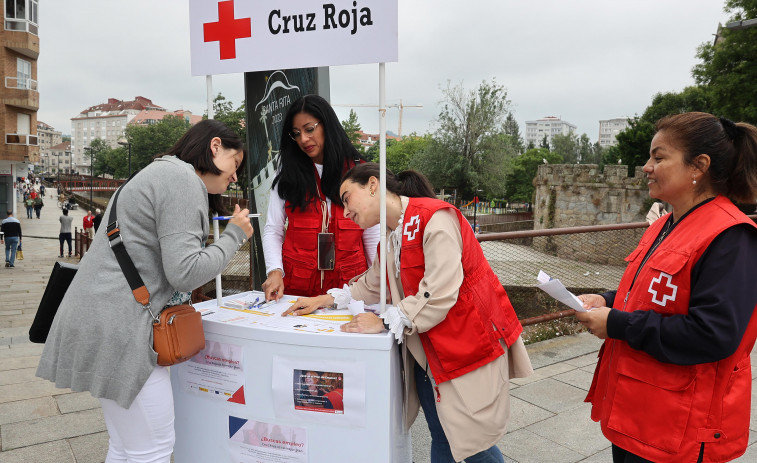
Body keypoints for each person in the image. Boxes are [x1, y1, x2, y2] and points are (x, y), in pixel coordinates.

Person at [36, 119, 254, 463]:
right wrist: (234, 236)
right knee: (151, 449)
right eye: (235, 164)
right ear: (214, 147)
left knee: (126, 447)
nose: (235, 177)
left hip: (103, 319)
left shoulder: (157, 173)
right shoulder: (182, 179)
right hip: (123, 329)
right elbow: (184, 273)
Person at [285, 162, 533, 463]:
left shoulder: (434, 218)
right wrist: (324, 300)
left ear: (373, 185)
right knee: (444, 433)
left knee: (471, 441)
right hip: (431, 352)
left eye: (347, 198)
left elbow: (440, 290)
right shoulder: (390, 235)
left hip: (466, 344)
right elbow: (374, 283)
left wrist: (385, 320)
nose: (345, 212)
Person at [576, 112, 757, 463]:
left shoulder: (730, 237)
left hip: (680, 426)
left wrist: (616, 323)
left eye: (659, 157)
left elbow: (714, 334)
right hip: (638, 411)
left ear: (698, 166)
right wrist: (607, 300)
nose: (646, 166)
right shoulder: (665, 224)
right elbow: (657, 294)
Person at [261, 95, 379, 301]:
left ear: (327, 125)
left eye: (309, 129)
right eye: (296, 134)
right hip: (296, 289)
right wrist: (274, 270)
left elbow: (372, 232)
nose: (303, 139)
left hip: (349, 290)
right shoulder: (286, 172)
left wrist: (378, 284)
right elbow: (273, 228)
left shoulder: (359, 170)